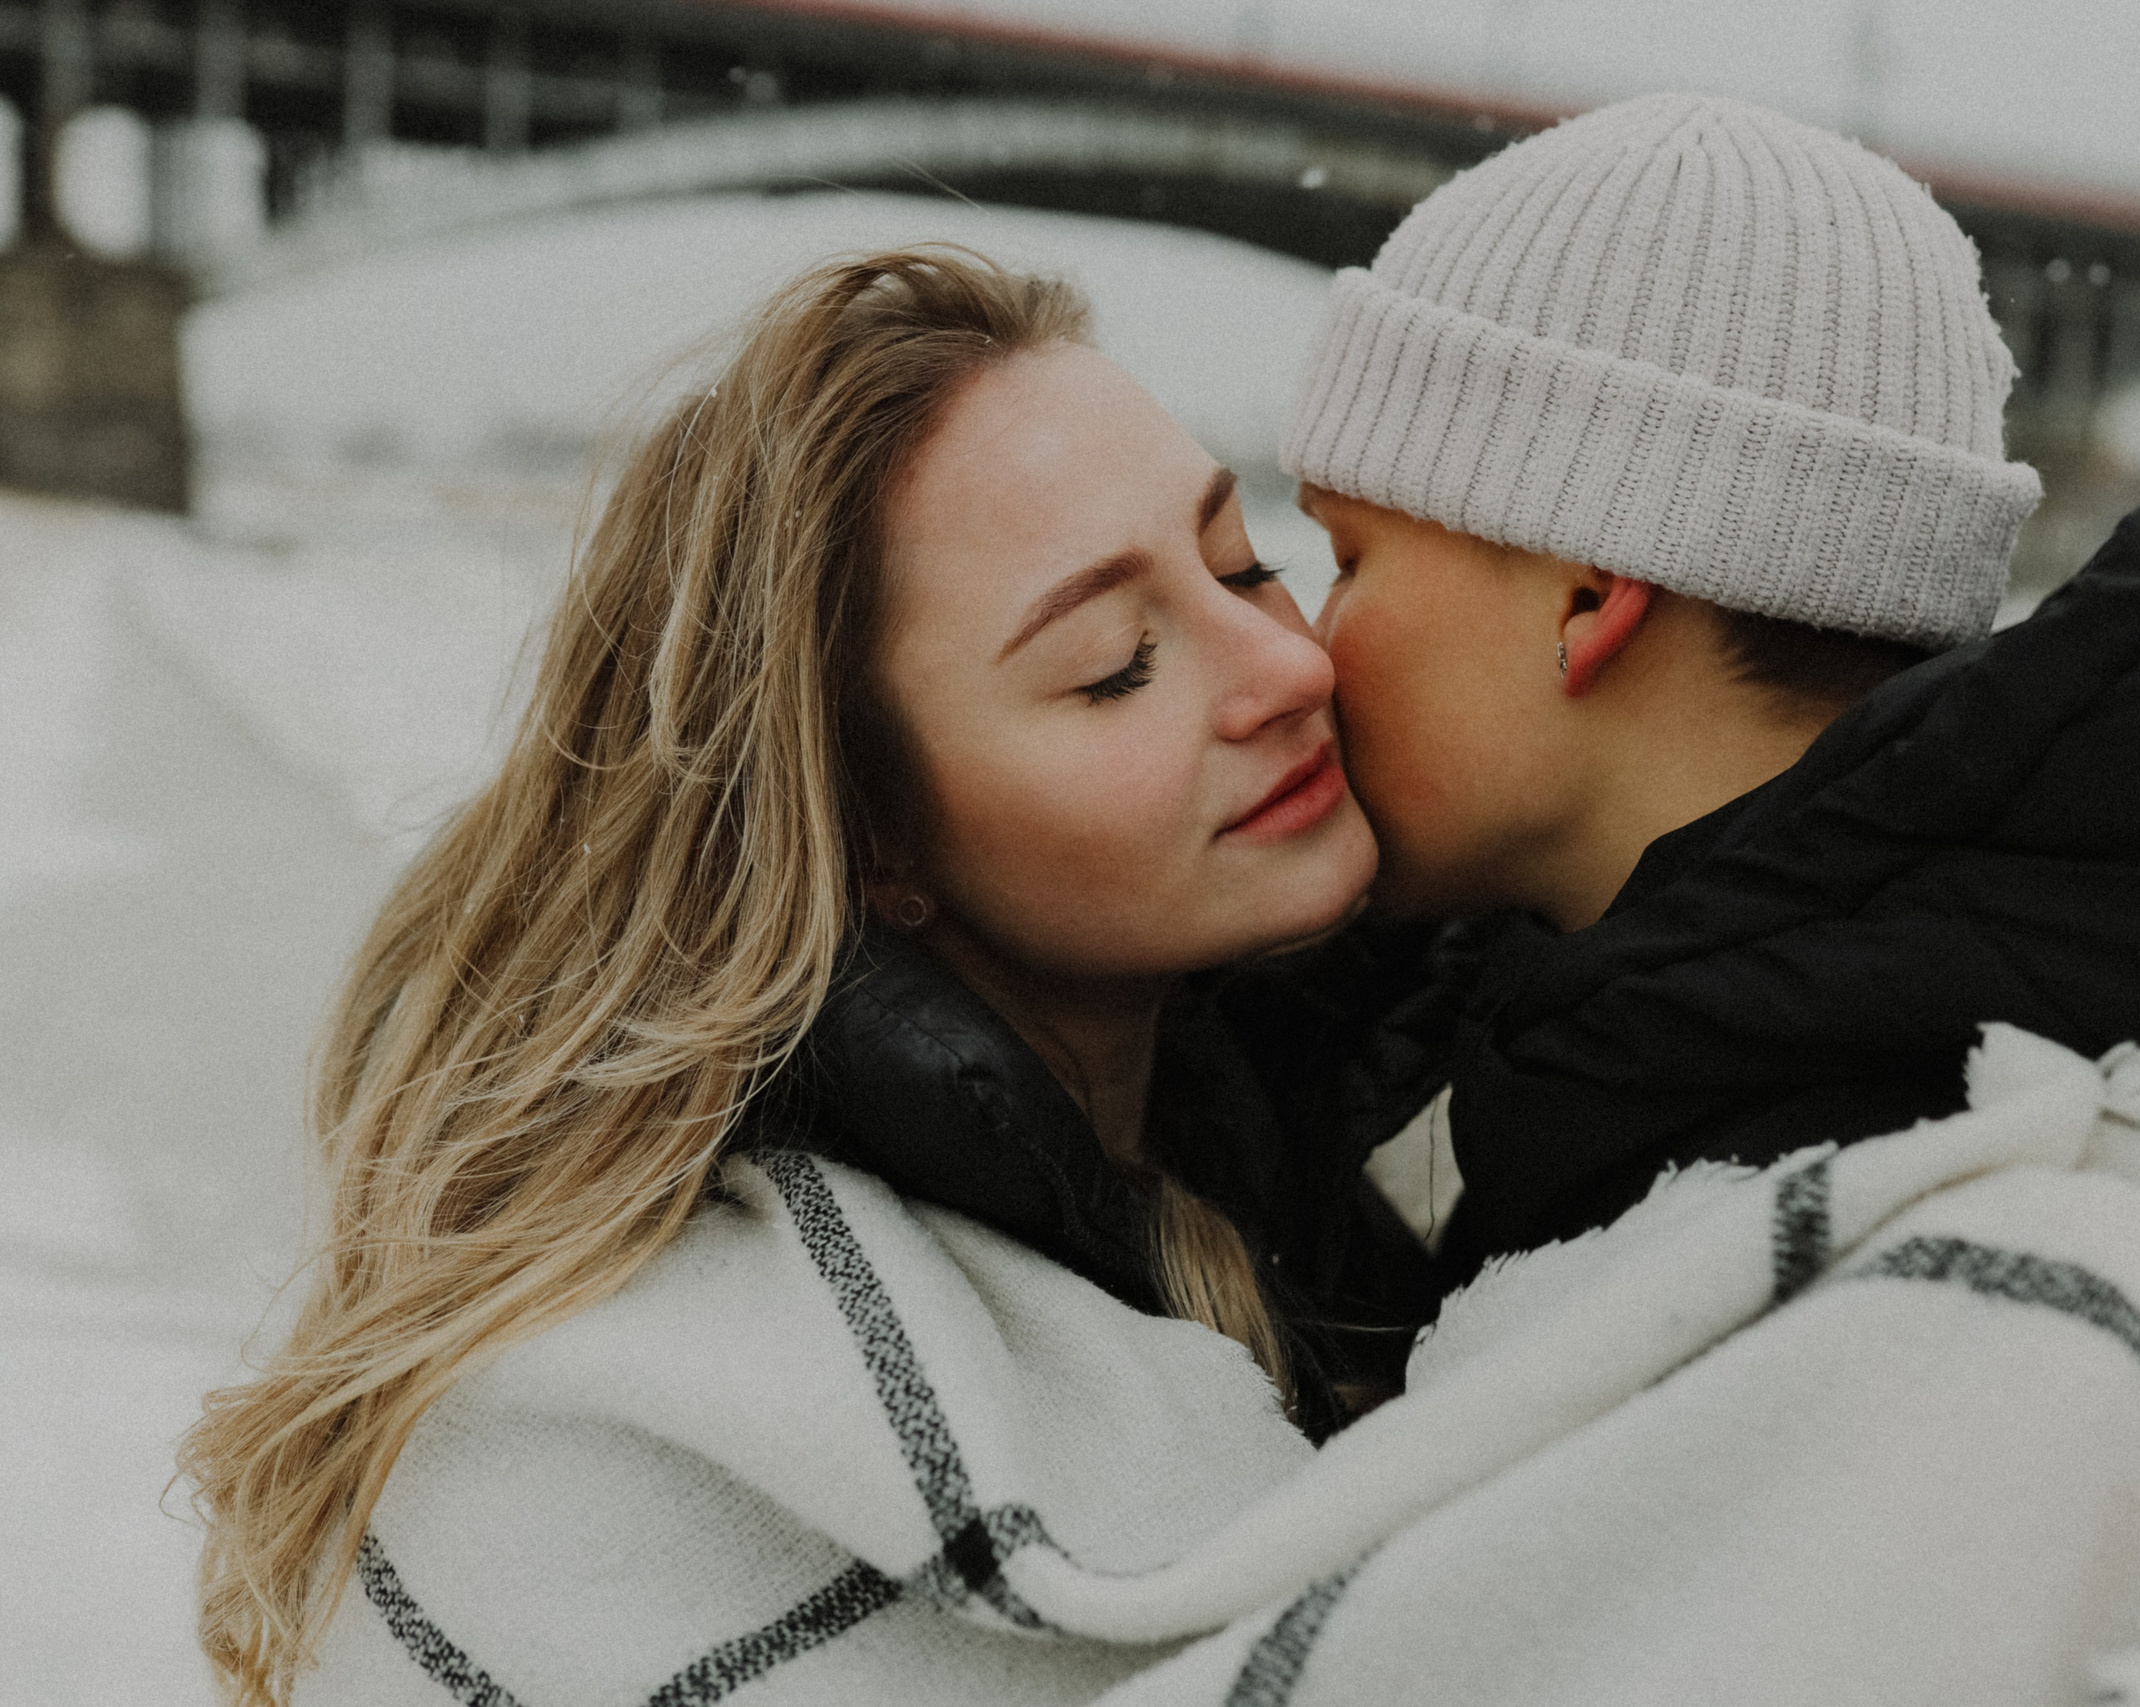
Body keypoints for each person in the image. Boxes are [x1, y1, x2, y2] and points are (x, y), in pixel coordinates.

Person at [1258, 91, 2140, 1698]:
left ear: (1588, 595)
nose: (1296, 649)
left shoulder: (1903, 1243)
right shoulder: (1985, 1043)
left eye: (1352, 557)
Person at [179, 250, 1433, 1707]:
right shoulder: (628, 1471)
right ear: (874, 832)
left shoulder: (1371, 1161)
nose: (1286, 669)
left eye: (1243, 566)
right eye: (1113, 664)